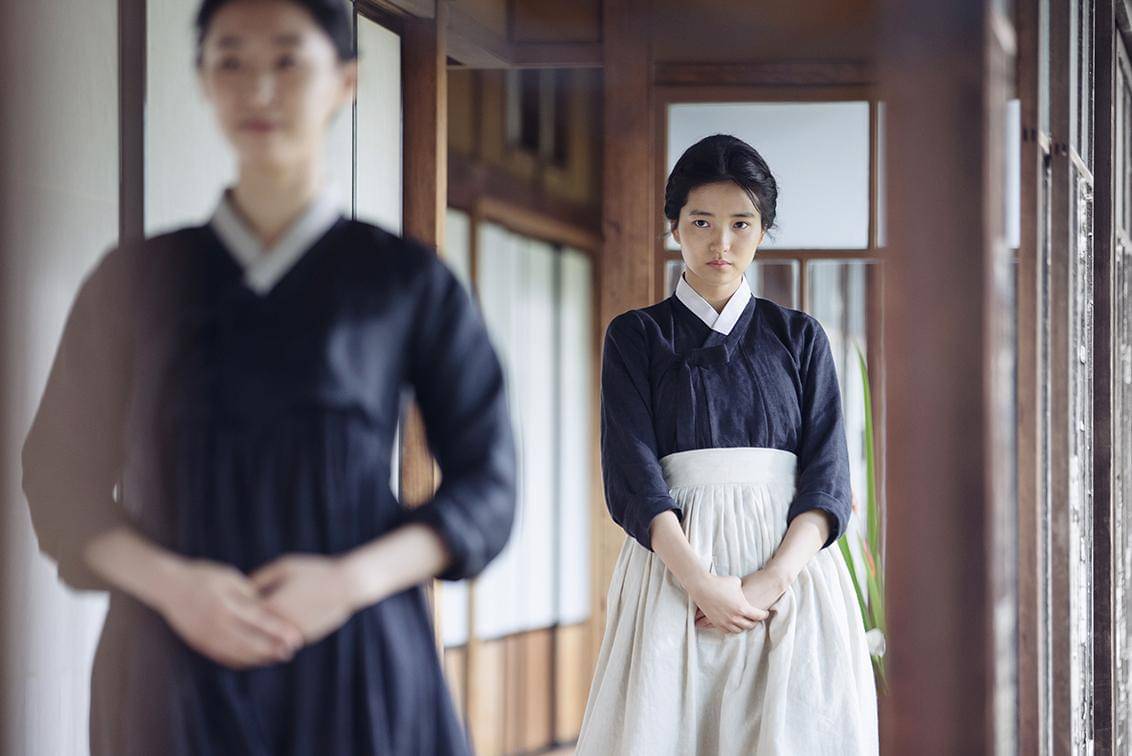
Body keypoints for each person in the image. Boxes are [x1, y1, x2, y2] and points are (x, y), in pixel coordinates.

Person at [20, 0, 516, 753]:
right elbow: (59, 478)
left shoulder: (405, 281)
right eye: (231, 61)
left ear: (344, 81)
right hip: (168, 661)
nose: (258, 89)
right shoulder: (135, 279)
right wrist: (173, 587)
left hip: (357, 659)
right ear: (204, 81)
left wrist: (347, 583)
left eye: (288, 60)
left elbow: (488, 484)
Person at [575, 134, 878, 755]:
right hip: (674, 576)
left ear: (762, 229)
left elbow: (828, 477)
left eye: (741, 223)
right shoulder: (636, 336)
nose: (721, 243)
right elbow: (632, 473)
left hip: (791, 579)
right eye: (702, 222)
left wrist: (768, 582)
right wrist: (701, 582)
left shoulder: (800, 337)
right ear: (674, 226)